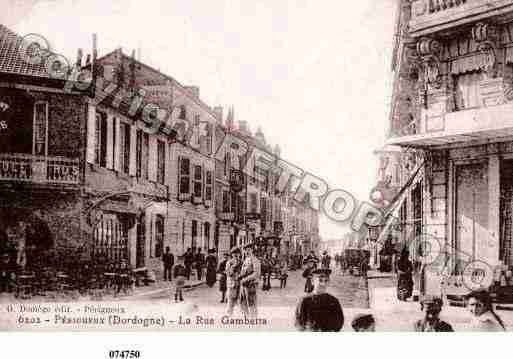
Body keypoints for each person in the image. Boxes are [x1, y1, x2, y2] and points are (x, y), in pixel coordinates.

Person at [239, 243, 261, 318]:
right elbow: (243, 272)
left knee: (251, 304)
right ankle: (246, 320)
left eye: (249, 250)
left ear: (252, 250)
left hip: (251, 285)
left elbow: (256, 274)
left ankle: (253, 322)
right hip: (244, 285)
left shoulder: (255, 260)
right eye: (245, 250)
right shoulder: (246, 260)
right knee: (243, 303)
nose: (247, 252)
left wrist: (245, 279)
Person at [226, 247, 243, 315]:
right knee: (230, 301)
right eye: (234, 253)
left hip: (240, 284)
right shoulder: (229, 263)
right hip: (232, 284)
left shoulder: (242, 262)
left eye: (237, 253)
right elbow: (228, 273)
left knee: (240, 301)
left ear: (239, 254)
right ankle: (229, 315)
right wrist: (234, 266)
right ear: (232, 254)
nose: (236, 255)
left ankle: (239, 317)